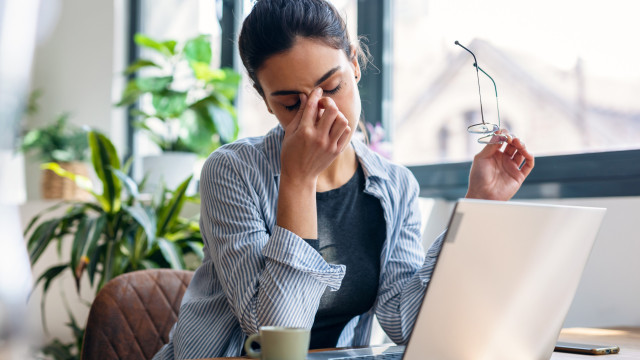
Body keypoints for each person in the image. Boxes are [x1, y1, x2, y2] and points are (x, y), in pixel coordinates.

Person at [153, 0, 534, 359]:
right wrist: (298, 182)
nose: (321, 112)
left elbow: (405, 321)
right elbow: (272, 339)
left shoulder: (396, 186)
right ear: (266, 100)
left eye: (332, 87)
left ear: (354, 62)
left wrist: (477, 204)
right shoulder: (233, 171)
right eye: (291, 104)